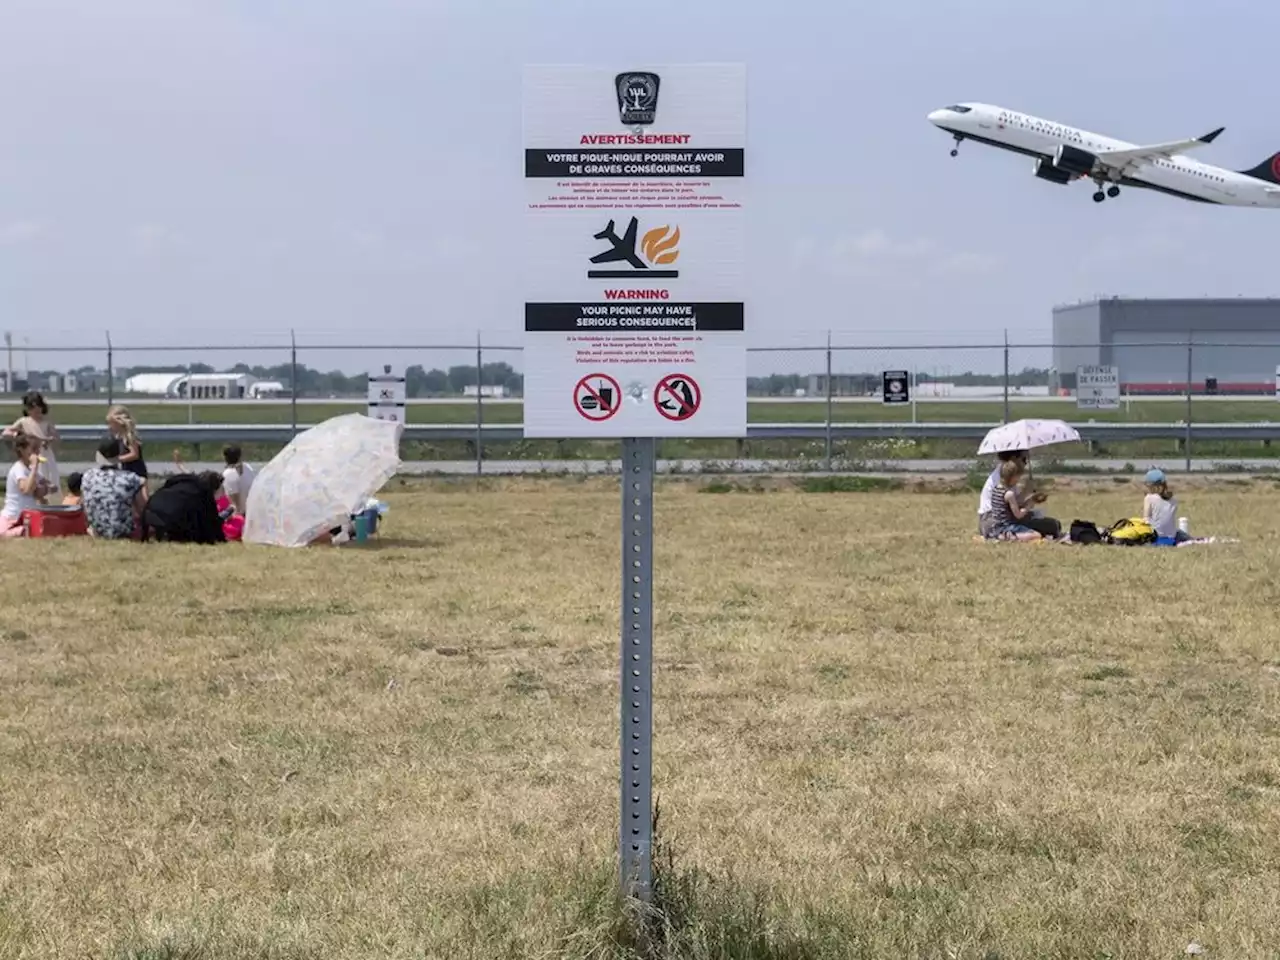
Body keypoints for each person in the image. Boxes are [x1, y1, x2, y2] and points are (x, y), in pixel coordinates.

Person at [81, 437, 147, 539]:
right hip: (124, 531)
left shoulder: (87, 476)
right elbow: (142, 508)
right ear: (118, 455)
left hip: (97, 530)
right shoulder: (130, 478)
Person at [2, 390, 61, 499]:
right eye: (33, 408)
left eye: (39, 406)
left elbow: (56, 437)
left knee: (50, 478)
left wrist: (49, 440)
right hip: (31, 454)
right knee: (34, 477)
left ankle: (50, 499)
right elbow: (6, 433)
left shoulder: (46, 421)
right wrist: (19, 435)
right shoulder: (24, 421)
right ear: (28, 409)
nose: (37, 410)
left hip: (45, 454)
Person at [142, 470, 227, 544]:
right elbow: (212, 520)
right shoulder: (203, 491)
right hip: (169, 520)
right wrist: (221, 539)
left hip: (148, 512)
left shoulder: (178, 483)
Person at [985, 458, 1042, 541]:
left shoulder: (996, 488)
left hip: (996, 527)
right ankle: (1009, 537)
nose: (1018, 479)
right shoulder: (1009, 494)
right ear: (1012, 477)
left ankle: (1001, 536)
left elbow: (1016, 502)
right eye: (1018, 477)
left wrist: (1027, 493)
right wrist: (1029, 505)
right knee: (1037, 535)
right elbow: (1018, 515)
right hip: (1006, 527)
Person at [1, 435, 44, 537]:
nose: (37, 452)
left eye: (38, 449)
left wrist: (43, 489)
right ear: (21, 450)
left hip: (28, 516)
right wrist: (34, 468)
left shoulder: (30, 470)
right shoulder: (18, 469)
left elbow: (47, 487)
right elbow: (26, 489)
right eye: (33, 449)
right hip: (13, 516)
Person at [1141, 467, 1190, 545]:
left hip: (1156, 537)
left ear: (1152, 486)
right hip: (1172, 537)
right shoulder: (1173, 500)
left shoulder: (1149, 498)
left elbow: (1146, 519)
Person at [106, 404, 148, 480]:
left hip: (136, 473)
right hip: (126, 472)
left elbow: (135, 454)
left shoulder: (128, 436)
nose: (109, 427)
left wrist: (117, 459)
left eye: (112, 423)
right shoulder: (119, 437)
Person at [220, 445, 255, 517]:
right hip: (251, 512)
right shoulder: (248, 468)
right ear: (240, 457)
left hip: (239, 515)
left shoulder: (227, 474)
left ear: (225, 458)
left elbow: (234, 500)